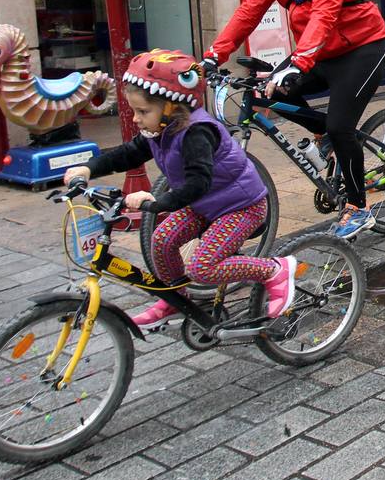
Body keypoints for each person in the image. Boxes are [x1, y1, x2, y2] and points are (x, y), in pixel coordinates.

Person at [65, 50, 294, 329]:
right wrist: (88, 168)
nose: (136, 119)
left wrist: (158, 200)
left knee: (202, 266)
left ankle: (275, 270)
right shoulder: (158, 129)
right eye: (135, 111)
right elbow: (128, 154)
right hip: (204, 204)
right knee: (161, 241)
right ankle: (175, 299)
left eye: (143, 111)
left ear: (172, 106)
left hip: (241, 206)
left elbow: (198, 183)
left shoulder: (198, 132)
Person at [208, 0, 385, 238]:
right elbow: (248, 13)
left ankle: (358, 206)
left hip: (364, 47)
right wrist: (213, 55)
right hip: (321, 50)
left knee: (340, 126)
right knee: (264, 93)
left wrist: (298, 63)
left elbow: (324, 15)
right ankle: (326, 138)